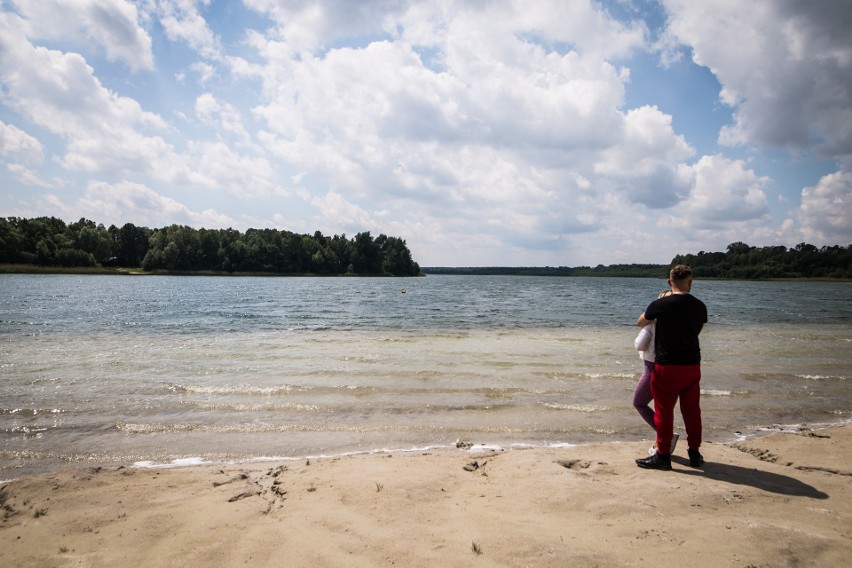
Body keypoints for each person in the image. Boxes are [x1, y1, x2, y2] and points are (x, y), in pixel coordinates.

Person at [634, 265, 707, 471]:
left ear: (669, 282)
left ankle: (663, 456)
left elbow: (641, 322)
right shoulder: (700, 306)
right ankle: (694, 453)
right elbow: (696, 331)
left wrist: (653, 310)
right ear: (690, 282)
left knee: (664, 412)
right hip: (692, 365)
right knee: (692, 412)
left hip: (667, 366)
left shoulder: (661, 304)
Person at [633, 290, 678, 455]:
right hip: (675, 369)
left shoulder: (653, 323)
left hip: (653, 368)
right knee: (666, 409)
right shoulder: (679, 323)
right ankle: (662, 441)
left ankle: (666, 436)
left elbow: (640, 344)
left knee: (639, 402)